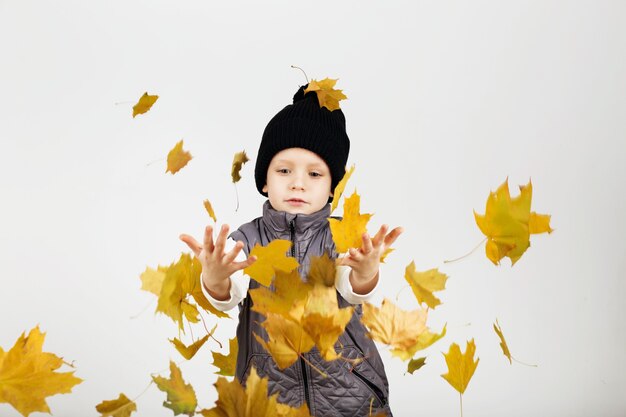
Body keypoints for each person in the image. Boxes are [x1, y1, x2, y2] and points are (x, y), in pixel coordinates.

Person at [180, 83, 402, 416]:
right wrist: (215, 277)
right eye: (284, 171)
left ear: (331, 188)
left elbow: (352, 288)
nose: (298, 182)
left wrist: (366, 272)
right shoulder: (248, 238)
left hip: (348, 393)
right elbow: (230, 290)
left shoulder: (342, 236)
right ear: (265, 180)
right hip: (271, 396)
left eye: (314, 174)